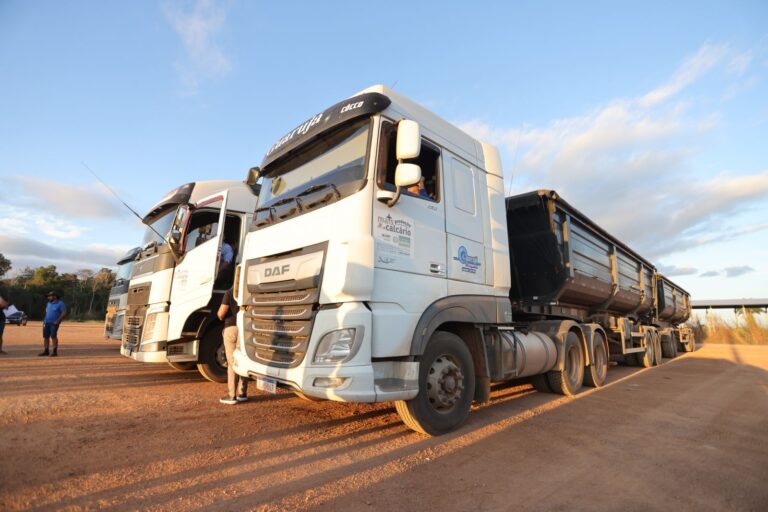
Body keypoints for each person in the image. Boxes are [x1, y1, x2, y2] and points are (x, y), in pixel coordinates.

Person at [217, 288, 247, 404]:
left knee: (232, 362)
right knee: (243, 359)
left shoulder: (230, 293)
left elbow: (221, 313)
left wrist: (219, 316)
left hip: (231, 329)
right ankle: (242, 393)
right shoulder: (248, 291)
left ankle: (232, 395)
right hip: (244, 328)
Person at [40, 291, 66, 357]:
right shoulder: (48, 303)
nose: (48, 297)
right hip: (46, 322)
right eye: (48, 296)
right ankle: (46, 351)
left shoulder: (60, 303)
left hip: (54, 323)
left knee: (53, 336)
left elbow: (64, 312)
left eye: (50, 296)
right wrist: (44, 320)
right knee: (46, 337)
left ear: (55, 296)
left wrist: (58, 320)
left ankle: (54, 351)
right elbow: (47, 312)